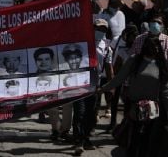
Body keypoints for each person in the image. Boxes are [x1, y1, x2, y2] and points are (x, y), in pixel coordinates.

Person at [99, 36, 168, 157]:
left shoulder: (161, 64)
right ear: (145, 47)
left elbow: (165, 90)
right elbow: (119, 79)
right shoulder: (134, 61)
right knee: (133, 139)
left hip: (153, 110)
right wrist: (103, 89)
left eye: (157, 46)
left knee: (147, 141)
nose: (155, 48)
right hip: (135, 106)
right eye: (152, 45)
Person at [72, 19, 113, 156]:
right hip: (80, 82)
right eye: (98, 28)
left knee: (91, 113)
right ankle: (78, 141)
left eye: (103, 30)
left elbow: (109, 68)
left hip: (96, 83)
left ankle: (86, 138)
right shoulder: (81, 42)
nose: (100, 32)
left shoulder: (107, 47)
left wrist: (110, 87)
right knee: (79, 112)